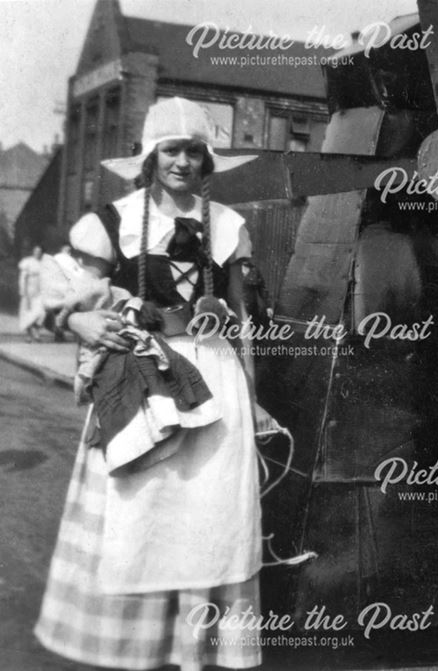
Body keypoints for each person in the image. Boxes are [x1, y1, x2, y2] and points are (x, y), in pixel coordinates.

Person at [34, 97, 261, 671]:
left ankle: (196, 654)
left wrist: (254, 404)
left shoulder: (230, 226)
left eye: (193, 151)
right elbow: (71, 302)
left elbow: (245, 325)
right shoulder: (111, 220)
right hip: (142, 377)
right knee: (141, 509)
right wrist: (78, 319)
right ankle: (135, 649)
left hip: (214, 380)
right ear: (150, 156)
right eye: (171, 151)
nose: (182, 162)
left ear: (207, 160)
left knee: (207, 514)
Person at [17, 245, 44, 341]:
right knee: (28, 312)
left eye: (39, 251)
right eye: (36, 251)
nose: (37, 253)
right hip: (29, 289)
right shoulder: (27, 261)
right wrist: (23, 291)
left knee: (41, 312)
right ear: (33, 251)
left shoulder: (43, 263)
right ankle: (29, 335)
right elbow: (22, 278)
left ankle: (35, 329)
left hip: (40, 290)